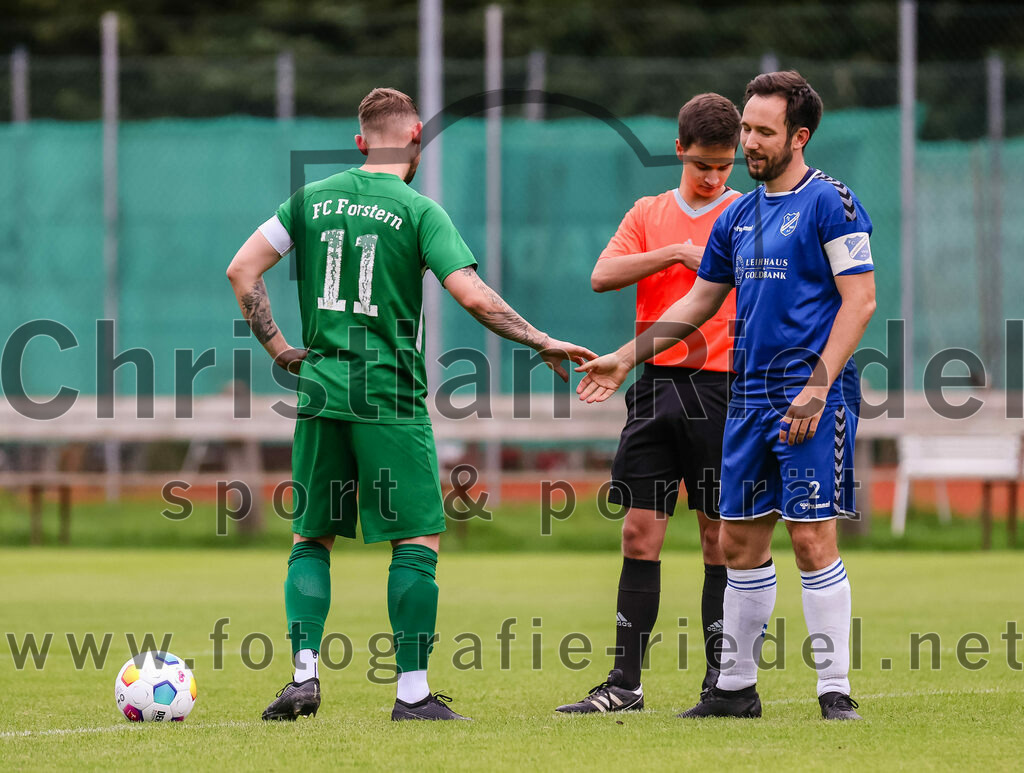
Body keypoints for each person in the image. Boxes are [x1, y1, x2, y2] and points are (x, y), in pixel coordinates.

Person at [227, 87, 595, 722]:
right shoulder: (420, 211)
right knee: (417, 539)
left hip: (319, 389)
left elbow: (242, 270)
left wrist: (282, 350)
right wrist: (541, 339)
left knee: (311, 537)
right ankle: (412, 693)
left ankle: (303, 677)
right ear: (418, 136)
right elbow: (474, 297)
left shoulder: (309, 199)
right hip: (389, 395)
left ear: (360, 140)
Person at [576, 71, 876, 721]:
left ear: (799, 136)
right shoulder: (738, 215)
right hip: (745, 398)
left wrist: (818, 387)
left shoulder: (833, 203)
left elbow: (862, 299)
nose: (749, 143)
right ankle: (735, 690)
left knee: (812, 539)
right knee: (739, 544)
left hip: (808, 395)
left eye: (763, 131)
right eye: (747, 127)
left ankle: (835, 691)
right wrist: (626, 357)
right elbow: (698, 301)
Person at [555, 93, 742, 714]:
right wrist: (676, 253)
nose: (716, 177)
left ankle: (724, 685)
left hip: (724, 388)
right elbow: (602, 275)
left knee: (719, 539)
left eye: (726, 165)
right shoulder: (649, 213)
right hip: (655, 386)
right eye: (705, 166)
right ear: (680, 151)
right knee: (639, 534)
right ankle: (624, 686)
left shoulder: (750, 214)